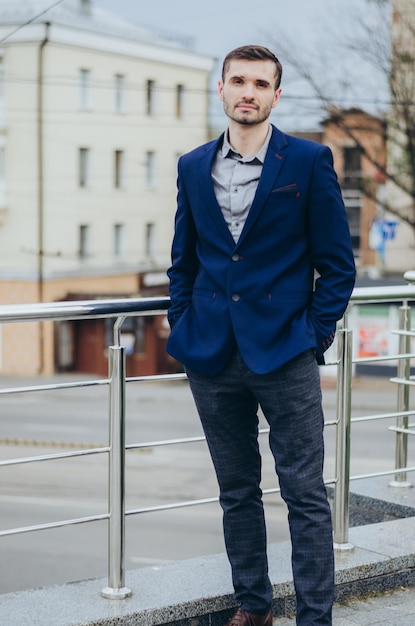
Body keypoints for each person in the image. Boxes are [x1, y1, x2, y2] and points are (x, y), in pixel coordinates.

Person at [166, 45, 356, 626]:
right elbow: (183, 262)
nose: (248, 92)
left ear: (277, 95)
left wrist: (313, 338)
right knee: (236, 491)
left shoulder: (307, 161)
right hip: (212, 355)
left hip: (286, 352)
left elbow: (337, 265)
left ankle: (314, 617)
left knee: (304, 494)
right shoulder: (193, 165)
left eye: (261, 84)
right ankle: (253, 605)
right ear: (221, 89)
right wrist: (184, 323)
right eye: (238, 81)